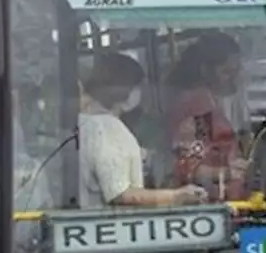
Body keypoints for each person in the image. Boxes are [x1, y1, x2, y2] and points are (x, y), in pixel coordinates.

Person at [80, 51, 207, 209]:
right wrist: (177, 196)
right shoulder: (107, 128)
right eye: (138, 87)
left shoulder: (84, 122)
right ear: (125, 89)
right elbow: (121, 194)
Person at [165, 32, 250, 198]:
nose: (234, 78)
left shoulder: (217, 102)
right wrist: (227, 172)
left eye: (237, 71)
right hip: (206, 200)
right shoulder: (195, 108)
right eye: (227, 72)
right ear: (206, 70)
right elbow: (188, 168)